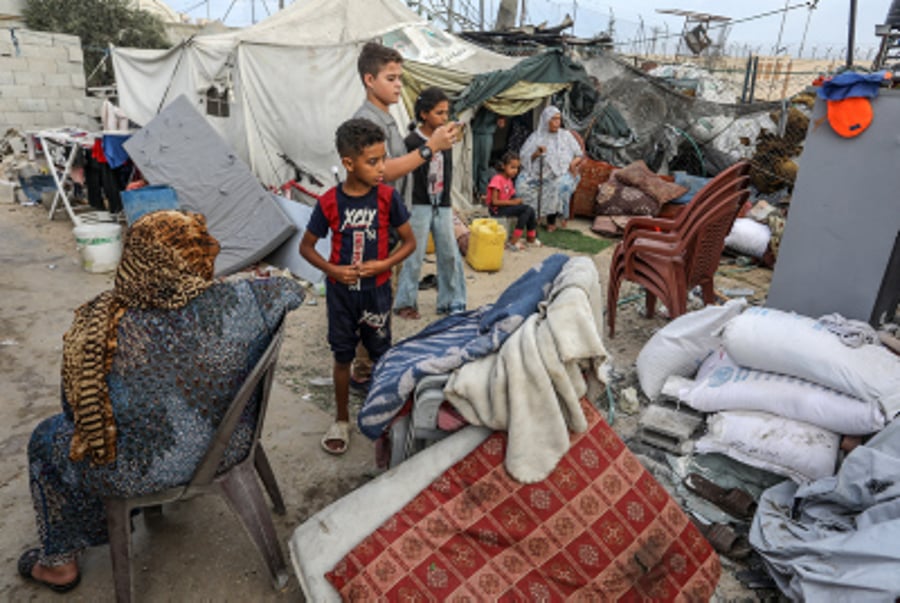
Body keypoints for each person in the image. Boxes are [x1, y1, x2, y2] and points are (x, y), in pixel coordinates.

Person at [18, 210, 304, 593]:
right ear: (199, 255)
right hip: (229, 444)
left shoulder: (96, 327)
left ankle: (59, 564)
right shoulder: (247, 300)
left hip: (135, 471)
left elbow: (78, 419)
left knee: (45, 438)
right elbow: (293, 291)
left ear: (133, 260)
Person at [299, 118, 415, 455]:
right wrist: (333, 269)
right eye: (373, 161)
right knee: (342, 357)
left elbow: (408, 242)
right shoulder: (329, 203)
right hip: (340, 295)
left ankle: (383, 418)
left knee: (381, 356)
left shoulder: (387, 197)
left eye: (383, 159)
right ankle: (341, 420)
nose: (382, 168)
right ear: (348, 163)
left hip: (377, 292)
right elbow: (306, 247)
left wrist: (383, 264)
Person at [349, 41, 460, 390]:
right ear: (370, 79)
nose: (399, 85)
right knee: (372, 302)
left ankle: (373, 364)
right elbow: (382, 172)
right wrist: (431, 147)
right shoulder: (366, 121)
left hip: (385, 226)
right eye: (391, 78)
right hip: (371, 227)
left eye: (400, 77)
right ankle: (364, 374)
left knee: (380, 300)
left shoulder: (387, 119)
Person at [394, 87, 467, 320]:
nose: (445, 118)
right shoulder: (412, 141)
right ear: (424, 114)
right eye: (439, 113)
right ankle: (405, 302)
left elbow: (446, 173)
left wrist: (447, 202)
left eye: (446, 113)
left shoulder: (446, 139)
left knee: (449, 252)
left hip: (442, 203)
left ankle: (451, 301)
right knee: (413, 254)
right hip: (418, 204)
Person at [516, 105, 583, 232]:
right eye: (554, 119)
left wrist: (573, 164)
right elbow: (524, 156)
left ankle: (550, 221)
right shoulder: (537, 136)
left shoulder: (566, 136)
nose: (557, 122)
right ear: (546, 120)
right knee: (521, 184)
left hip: (562, 172)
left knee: (556, 186)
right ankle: (532, 215)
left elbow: (579, 154)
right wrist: (537, 153)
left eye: (559, 119)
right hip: (537, 172)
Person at [486, 151, 541, 251]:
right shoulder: (497, 179)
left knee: (530, 210)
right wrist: (514, 203)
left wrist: (518, 201)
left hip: (505, 207)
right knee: (526, 210)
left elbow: (512, 196)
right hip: (496, 210)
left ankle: (530, 238)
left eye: (517, 168)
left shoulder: (509, 181)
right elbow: (494, 202)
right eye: (512, 167)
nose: (515, 171)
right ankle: (513, 241)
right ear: (503, 166)